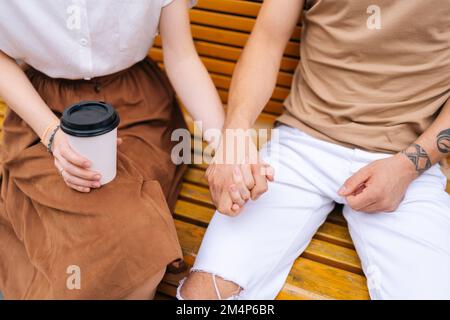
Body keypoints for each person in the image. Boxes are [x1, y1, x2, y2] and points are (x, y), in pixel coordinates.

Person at [179, 0, 450, 300]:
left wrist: (408, 166)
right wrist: (235, 134)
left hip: (408, 157)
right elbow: (266, 41)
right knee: (202, 296)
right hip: (301, 142)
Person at [0, 0, 224, 299]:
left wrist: (226, 146)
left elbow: (181, 57)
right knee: (93, 235)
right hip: (40, 110)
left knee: (137, 239)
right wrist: (51, 134)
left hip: (138, 110)